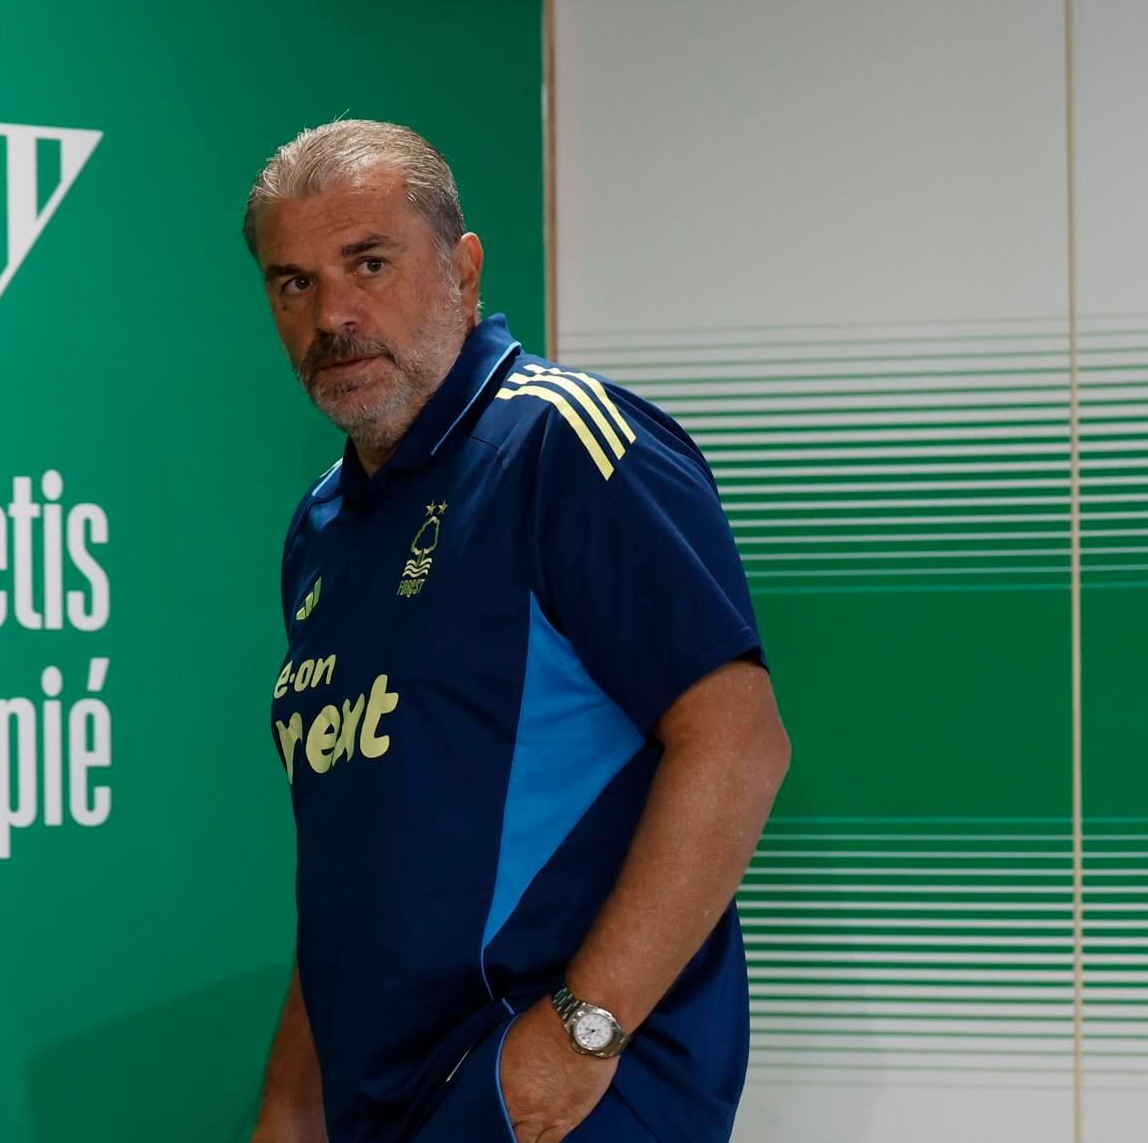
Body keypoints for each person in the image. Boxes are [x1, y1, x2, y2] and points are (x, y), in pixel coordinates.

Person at [244, 120, 791, 1143]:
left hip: (556, 1099)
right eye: (295, 284)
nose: (334, 315)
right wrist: (292, 1108)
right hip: (391, 1106)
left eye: (369, 262)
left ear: (462, 265)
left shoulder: (562, 443)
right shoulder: (322, 529)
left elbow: (739, 741)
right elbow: (351, 863)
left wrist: (579, 1035)